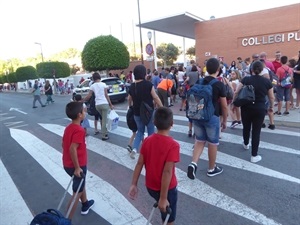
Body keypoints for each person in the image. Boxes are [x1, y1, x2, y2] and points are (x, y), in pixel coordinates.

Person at [128, 107, 180, 225]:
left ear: (154, 122)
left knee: (164, 212)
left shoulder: (147, 141)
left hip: (151, 187)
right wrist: (163, 197)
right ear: (172, 124)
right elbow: (167, 172)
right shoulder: (173, 145)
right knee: (169, 218)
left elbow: (140, 163)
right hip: (166, 190)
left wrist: (133, 184)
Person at [187, 58, 227, 179]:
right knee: (213, 143)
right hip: (212, 117)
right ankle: (211, 168)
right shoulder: (219, 84)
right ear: (218, 70)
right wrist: (224, 120)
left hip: (198, 116)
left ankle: (193, 163)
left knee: (199, 141)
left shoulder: (199, 82)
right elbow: (224, 106)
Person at [234, 60, 274, 163]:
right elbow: (271, 97)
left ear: (251, 69)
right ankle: (254, 155)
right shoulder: (267, 82)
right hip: (260, 108)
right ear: (262, 70)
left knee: (246, 127)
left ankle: (246, 143)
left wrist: (234, 102)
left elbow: (237, 91)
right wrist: (271, 107)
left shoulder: (246, 79)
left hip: (246, 107)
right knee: (256, 131)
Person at [62, 101, 94, 219]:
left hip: (67, 163)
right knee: (77, 192)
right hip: (77, 165)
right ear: (80, 115)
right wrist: (77, 167)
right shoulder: (80, 130)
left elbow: (63, 144)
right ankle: (66, 220)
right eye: (83, 110)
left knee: (80, 185)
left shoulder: (69, 128)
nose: (85, 112)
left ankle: (85, 204)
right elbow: (72, 149)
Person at [127, 64, 163, 159]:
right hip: (148, 112)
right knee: (151, 131)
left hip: (136, 113)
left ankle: (134, 149)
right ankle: (152, 151)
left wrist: (130, 106)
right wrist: (162, 107)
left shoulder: (132, 86)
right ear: (144, 74)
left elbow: (129, 99)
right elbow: (155, 97)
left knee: (140, 131)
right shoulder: (148, 84)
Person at [83, 72, 114, 141]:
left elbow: (89, 96)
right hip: (104, 104)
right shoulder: (103, 84)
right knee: (104, 120)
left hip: (97, 105)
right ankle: (104, 135)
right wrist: (110, 104)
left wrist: (82, 100)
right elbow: (106, 95)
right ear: (99, 77)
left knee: (102, 119)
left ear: (93, 78)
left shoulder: (92, 86)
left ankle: (104, 131)